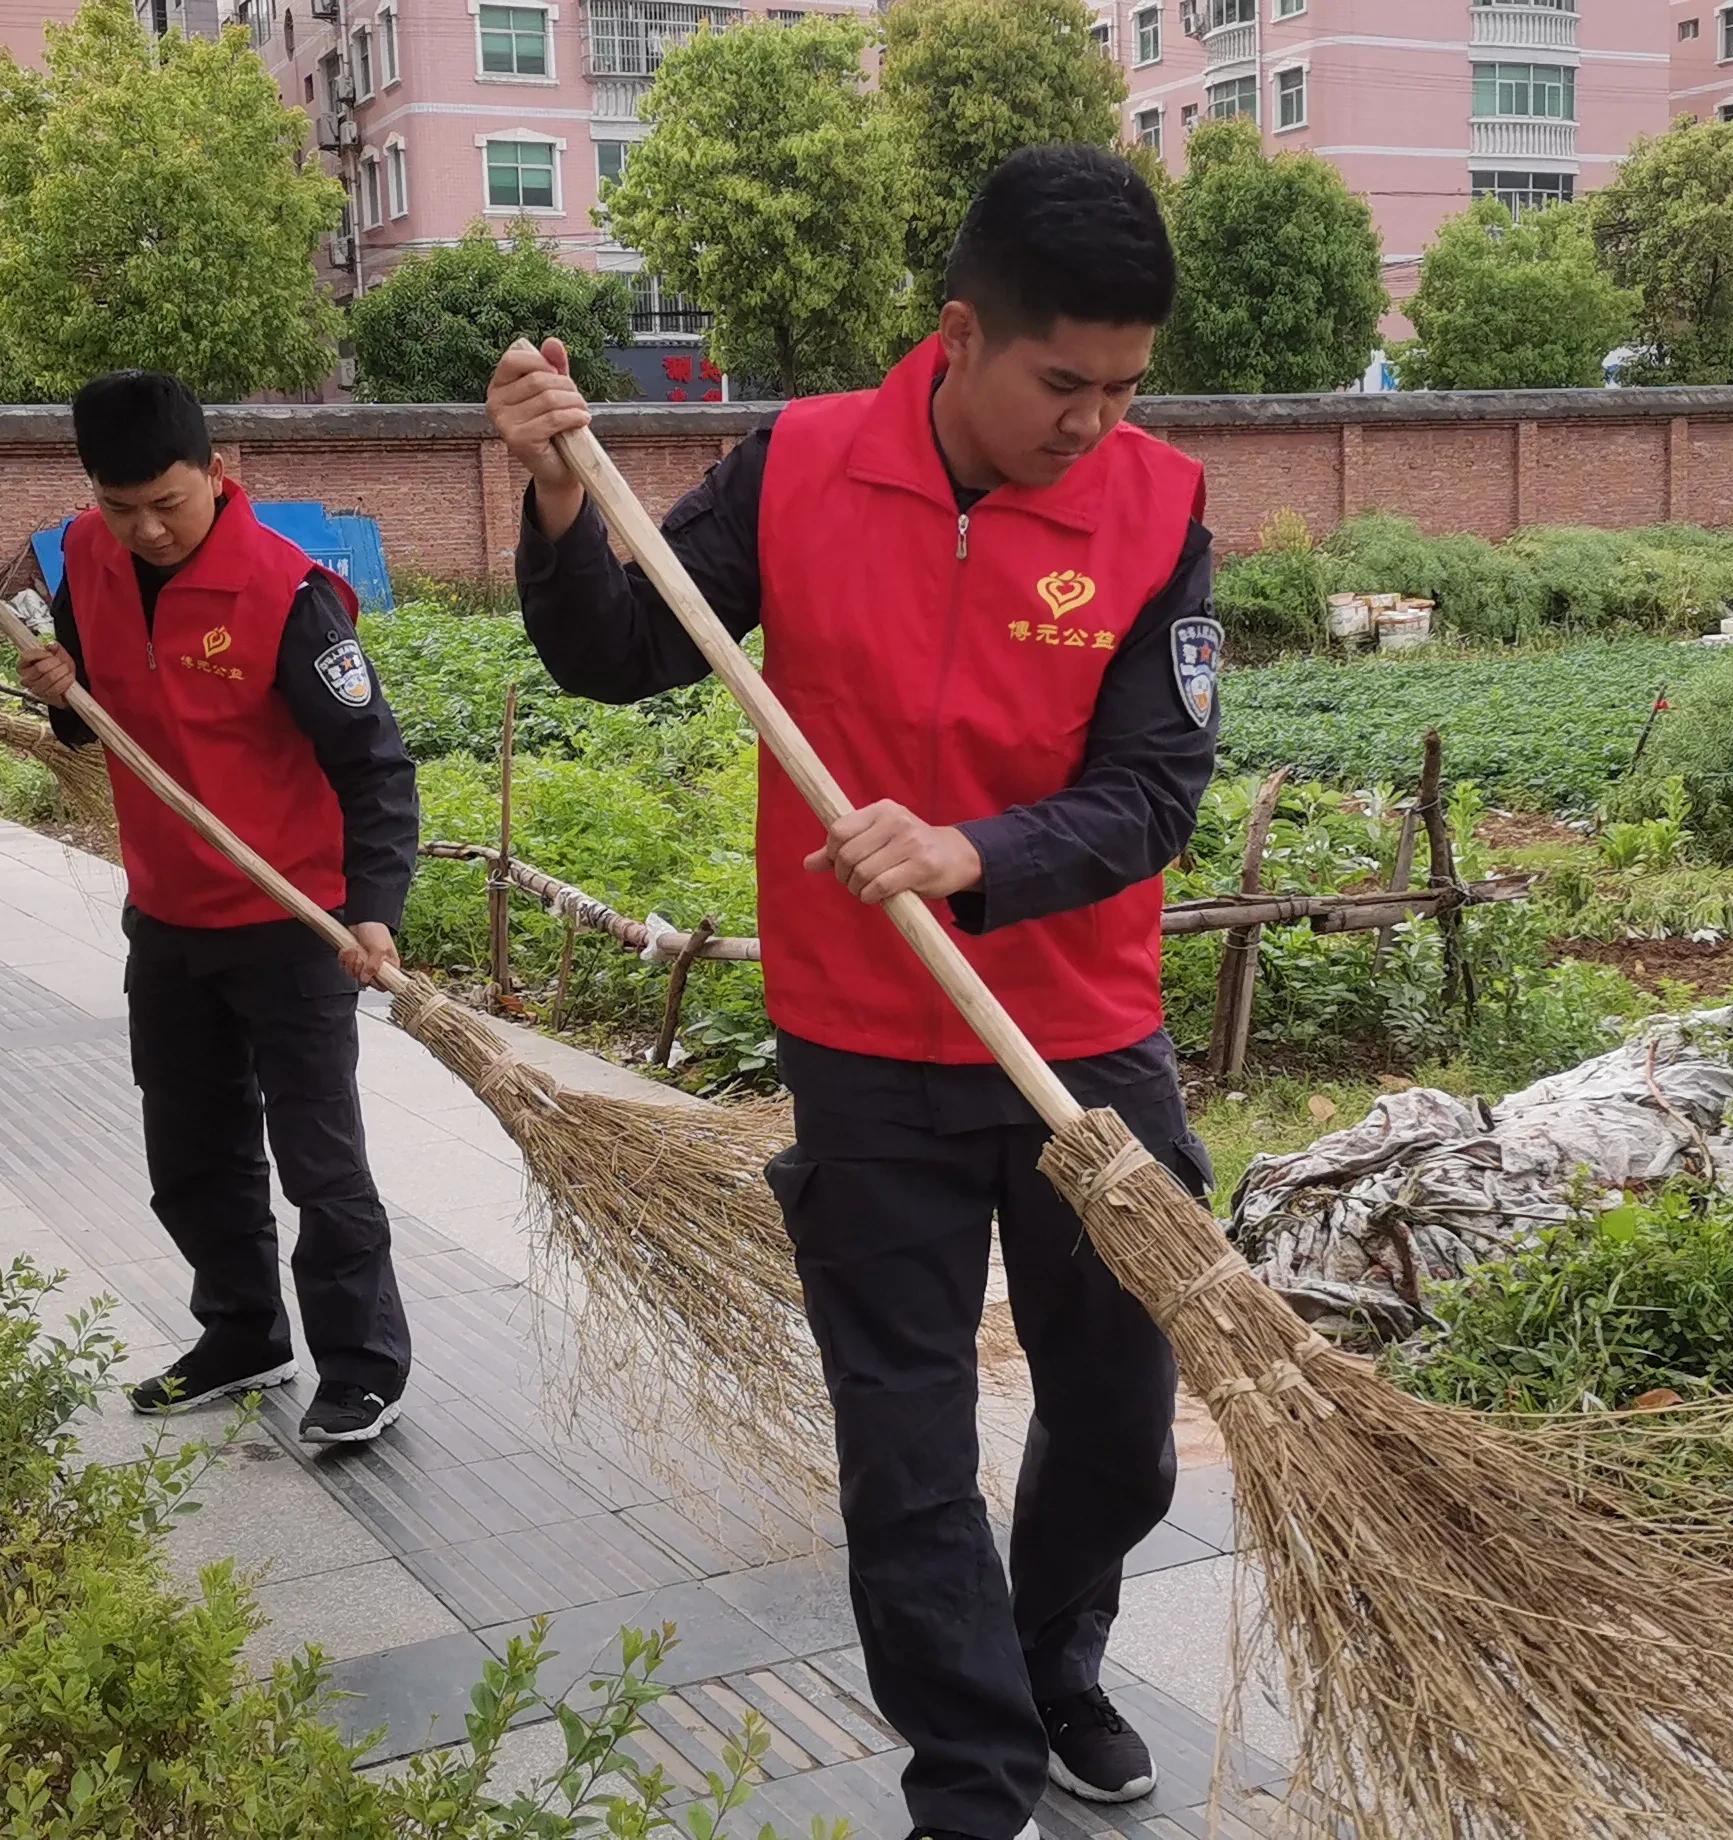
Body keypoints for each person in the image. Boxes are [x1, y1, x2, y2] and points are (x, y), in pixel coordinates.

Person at [489, 146, 1220, 1840]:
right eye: (1064, 383)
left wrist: (974, 854)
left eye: (1125, 386)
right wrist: (546, 496)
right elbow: (619, 649)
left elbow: (1154, 789)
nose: (1094, 423)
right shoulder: (803, 466)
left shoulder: (1160, 510)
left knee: (1120, 1422)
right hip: (866, 1047)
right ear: (963, 334)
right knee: (907, 1448)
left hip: (1078, 1042)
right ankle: (967, 1782)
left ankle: (1053, 1660)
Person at [15, 370, 426, 1448]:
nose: (145, 529)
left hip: (290, 923)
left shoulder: (290, 595)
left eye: (169, 502)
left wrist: (373, 909)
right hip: (167, 919)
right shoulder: (83, 558)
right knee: (190, 1151)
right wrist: (61, 698)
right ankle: (242, 1332)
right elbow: (92, 727)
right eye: (120, 506)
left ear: (217, 474)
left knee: (319, 1160)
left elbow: (376, 768)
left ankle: (363, 1365)